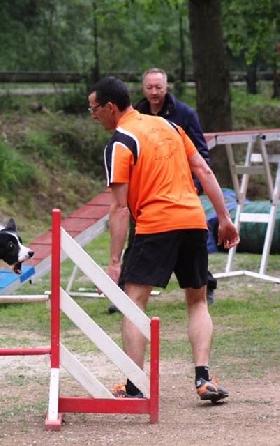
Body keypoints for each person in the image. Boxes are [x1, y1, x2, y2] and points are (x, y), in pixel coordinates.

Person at [87, 76, 240, 402]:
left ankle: (135, 386)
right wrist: (224, 219)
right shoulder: (169, 127)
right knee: (197, 301)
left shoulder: (120, 141)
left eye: (94, 109)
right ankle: (203, 378)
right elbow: (204, 169)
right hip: (193, 220)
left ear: (110, 108)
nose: (93, 115)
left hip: (156, 225)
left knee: (133, 302)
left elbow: (118, 208)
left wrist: (114, 264)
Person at [136, 68, 217, 305]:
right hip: (149, 193)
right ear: (143, 89)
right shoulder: (137, 114)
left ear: (166, 87)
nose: (154, 92)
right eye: (149, 87)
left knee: (192, 244)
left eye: (158, 87)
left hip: (183, 191)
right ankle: (126, 294)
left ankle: (205, 285)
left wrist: (195, 186)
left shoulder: (184, 114)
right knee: (138, 241)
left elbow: (202, 155)